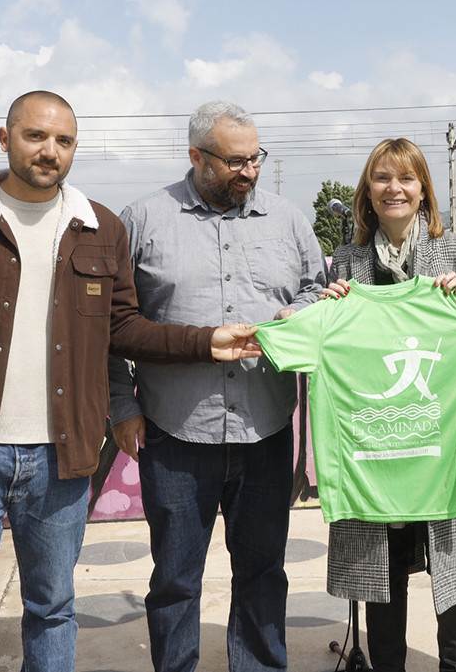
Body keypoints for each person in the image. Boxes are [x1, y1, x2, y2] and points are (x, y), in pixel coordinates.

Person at [0, 90, 262, 672]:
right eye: (36, 136)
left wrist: (205, 341)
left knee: (54, 612)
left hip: (62, 460)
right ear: (5, 139)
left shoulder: (99, 227)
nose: (49, 151)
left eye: (63, 141)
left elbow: (126, 329)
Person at [107, 100, 327, 672]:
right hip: (174, 432)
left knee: (262, 573)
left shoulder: (288, 219)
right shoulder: (143, 220)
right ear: (195, 156)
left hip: (267, 429)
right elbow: (111, 327)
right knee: (176, 579)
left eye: (255, 158)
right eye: (233, 161)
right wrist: (122, 406)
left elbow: (315, 291)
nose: (248, 172)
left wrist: (294, 317)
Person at [323, 138, 456, 672]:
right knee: (384, 579)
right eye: (382, 178)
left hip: (444, 443)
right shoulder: (346, 263)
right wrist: (328, 304)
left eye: (406, 178)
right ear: (367, 192)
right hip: (375, 449)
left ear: (424, 189)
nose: (394, 188)